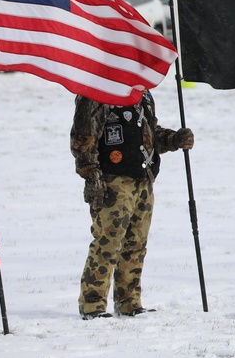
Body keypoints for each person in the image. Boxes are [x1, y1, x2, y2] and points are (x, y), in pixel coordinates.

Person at [71, 91, 194, 320]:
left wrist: (174, 140)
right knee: (108, 242)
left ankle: (129, 302)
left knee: (135, 243)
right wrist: (91, 175)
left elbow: (150, 134)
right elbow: (83, 137)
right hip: (112, 179)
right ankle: (92, 304)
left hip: (142, 178)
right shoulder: (97, 89)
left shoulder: (142, 93)